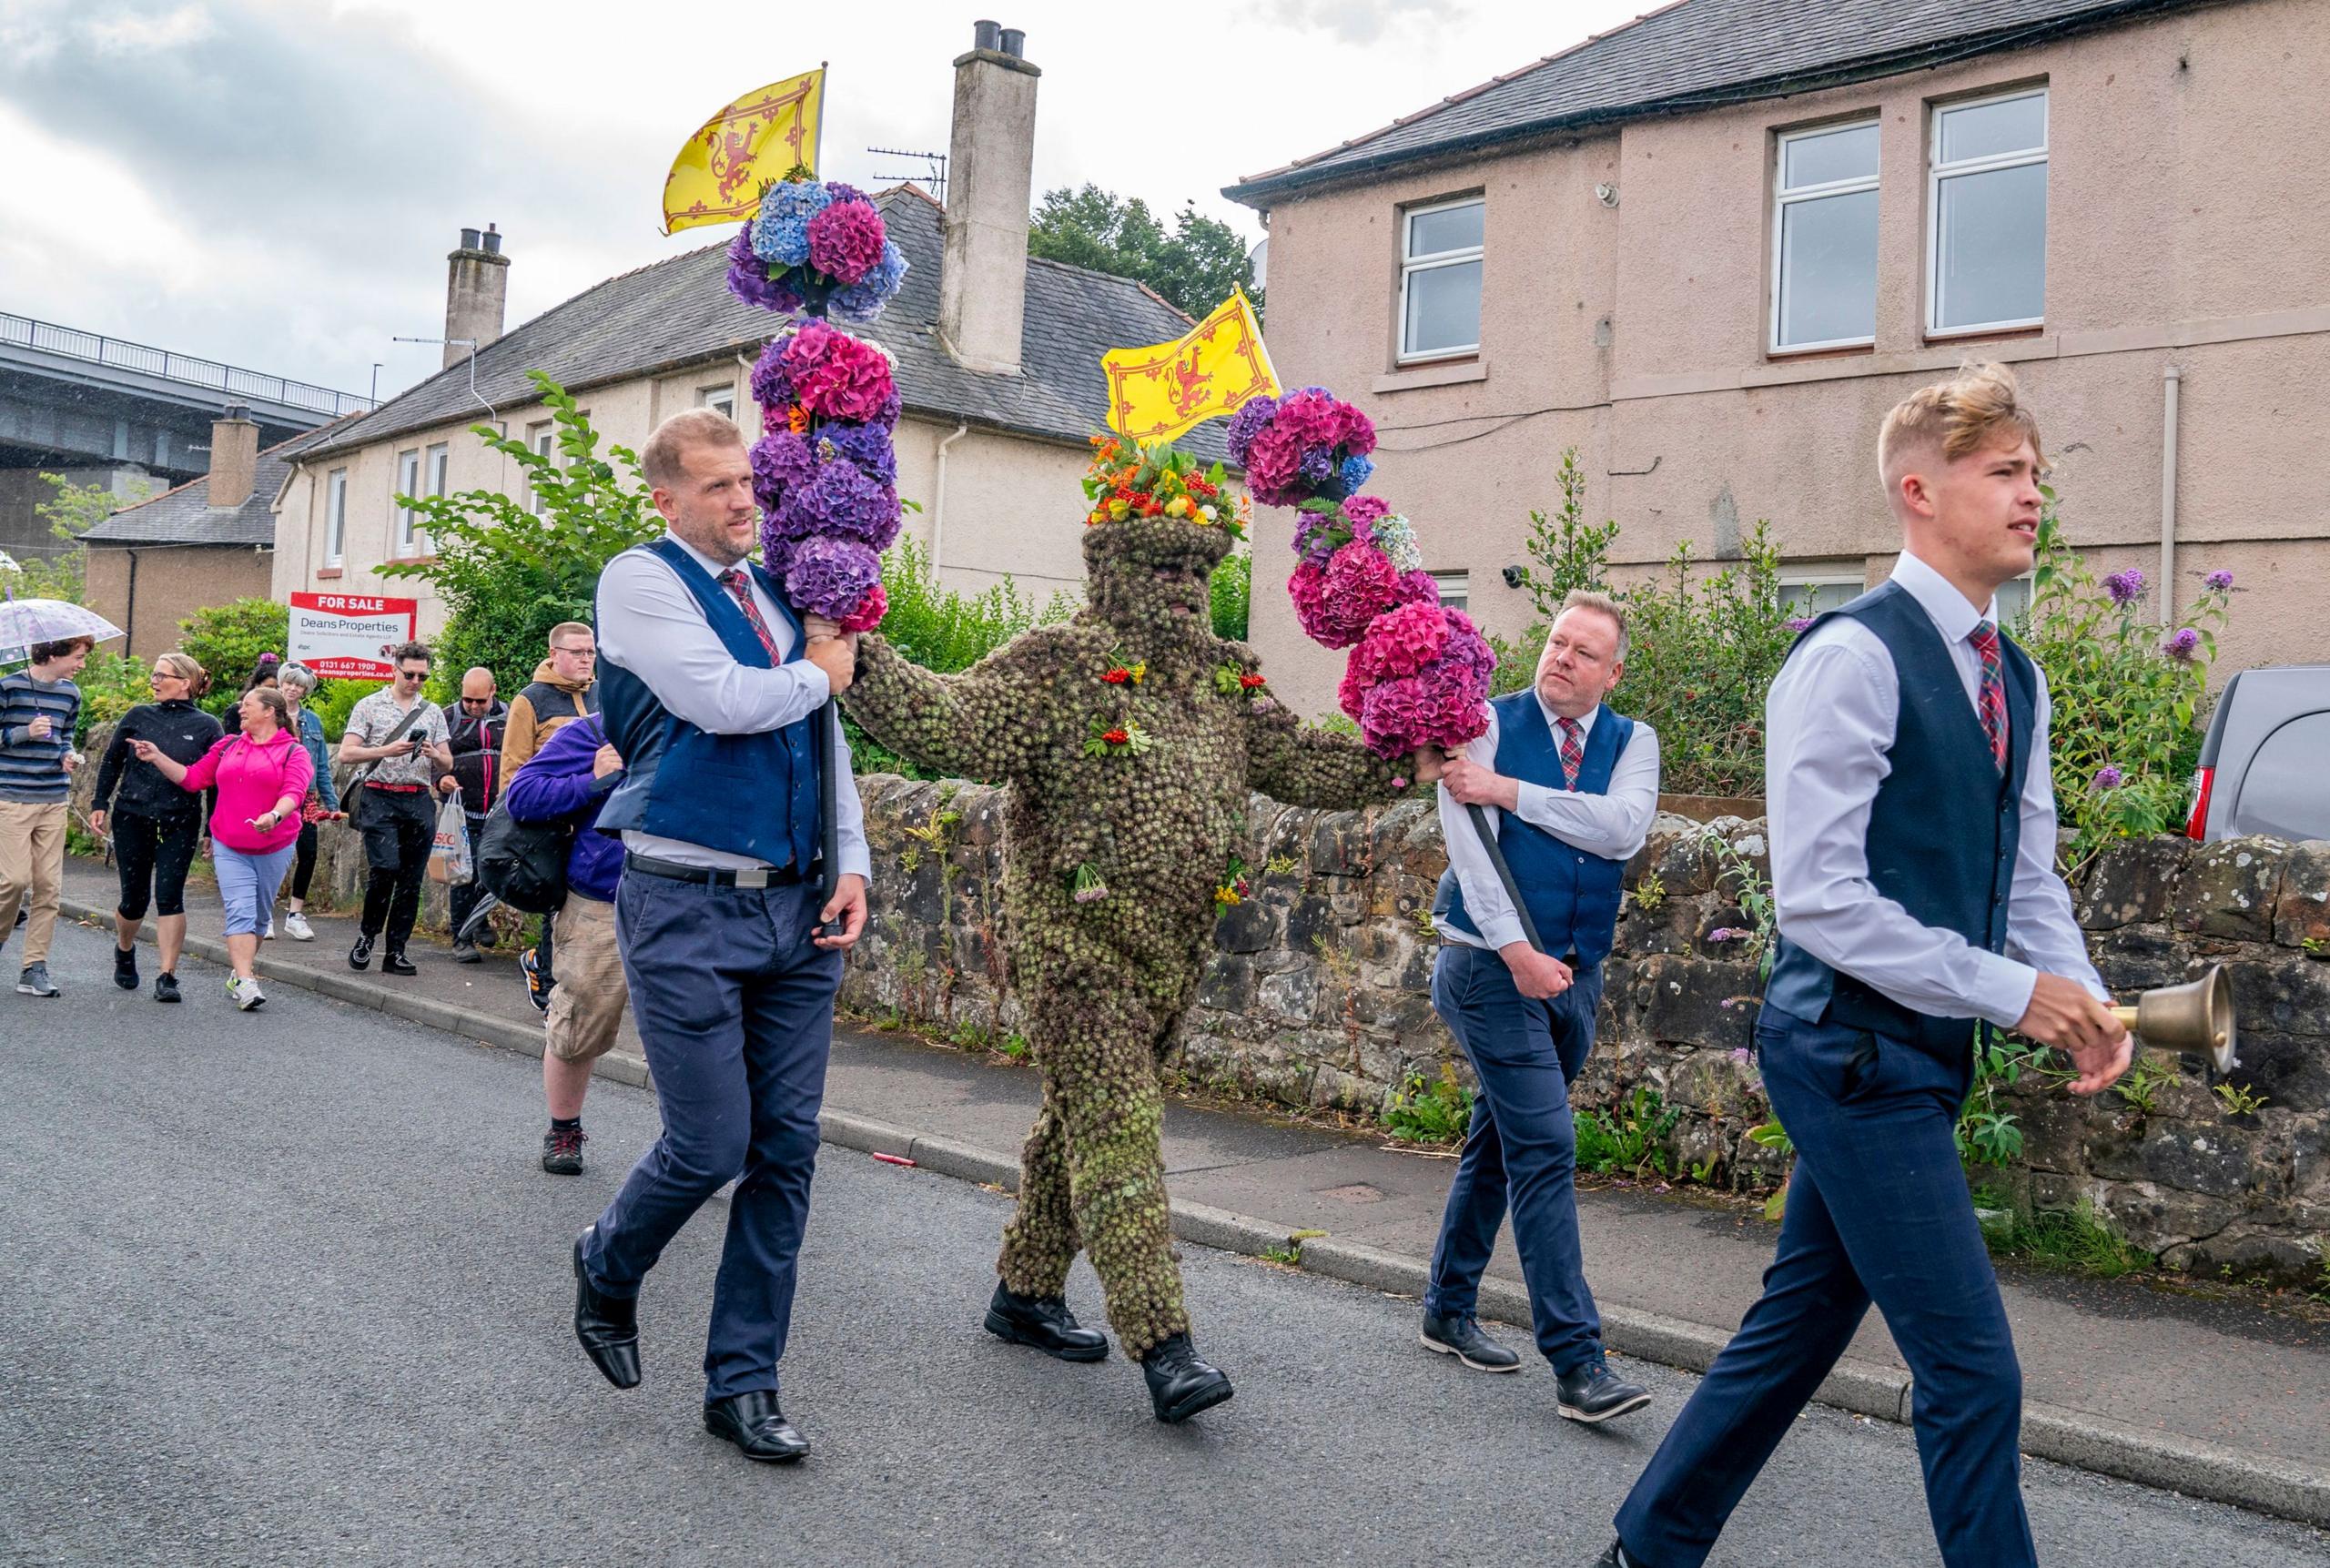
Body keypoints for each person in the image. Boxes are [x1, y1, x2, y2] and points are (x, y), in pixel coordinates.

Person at [1601, 364, 2132, 1568]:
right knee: (1973, 1369)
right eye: (2003, 471)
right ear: (1918, 490)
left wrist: (2082, 991)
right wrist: (2015, 991)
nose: (2031, 493)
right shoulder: (1850, 656)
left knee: (1799, 1325)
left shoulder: (2017, 675)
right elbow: (1825, 902)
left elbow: (2028, 873)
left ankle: (1648, 1543)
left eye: (2036, 472)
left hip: (1919, 1050)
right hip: (1847, 1050)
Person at [839, 440, 1435, 1426]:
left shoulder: (1224, 681)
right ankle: (1165, 1344)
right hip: (1074, 946)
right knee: (1119, 1130)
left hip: (1174, 948)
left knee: (1084, 1115)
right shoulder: (1060, 668)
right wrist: (860, 652)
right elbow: (949, 725)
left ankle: (1025, 1292)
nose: (1184, 587)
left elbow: (1304, 767)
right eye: (1164, 565)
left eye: (1200, 568)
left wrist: (1400, 748)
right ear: (1111, 563)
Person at [571, 409, 866, 1466]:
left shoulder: (784, 587)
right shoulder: (638, 579)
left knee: (785, 1152)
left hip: (796, 906)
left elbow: (817, 741)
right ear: (666, 498)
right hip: (686, 903)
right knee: (710, 1143)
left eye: (748, 482)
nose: (743, 500)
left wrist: (852, 861)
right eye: (715, 487)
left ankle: (743, 1384)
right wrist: (825, 670)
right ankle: (608, 1258)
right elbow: (726, 702)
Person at [1423, 592, 1661, 1422]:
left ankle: (1447, 1307)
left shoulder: (1636, 742)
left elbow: (1623, 830)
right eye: (1557, 641)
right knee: (1547, 1144)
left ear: (1613, 672)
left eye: (1583, 651)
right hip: (1489, 967)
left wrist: (1513, 792)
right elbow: (1471, 848)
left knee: (1503, 1138)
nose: (1561, 656)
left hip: (1577, 976)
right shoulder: (1481, 721)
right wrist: (1515, 950)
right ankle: (1579, 1361)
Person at [133, 685, 314, 1010]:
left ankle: (237, 974)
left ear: (269, 711)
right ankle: (246, 982)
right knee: (240, 910)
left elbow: (295, 792)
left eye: (247, 705)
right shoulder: (228, 745)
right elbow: (192, 778)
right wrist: (157, 756)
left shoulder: (293, 752)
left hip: (275, 844)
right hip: (229, 843)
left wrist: (274, 815)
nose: (240, 710)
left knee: (259, 917)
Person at [504, 712, 627, 1175]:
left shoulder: (711, 724)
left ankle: (697, 1148)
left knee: (701, 1030)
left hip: (689, 905)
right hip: (601, 901)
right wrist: (591, 779)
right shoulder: (596, 730)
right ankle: (563, 1130)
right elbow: (523, 796)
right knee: (578, 1023)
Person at [90, 652, 223, 1001]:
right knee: (134, 900)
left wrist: (211, 827)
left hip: (180, 819)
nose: (154, 680)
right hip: (132, 815)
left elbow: (214, 782)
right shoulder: (137, 716)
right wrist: (100, 803)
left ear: (185, 683)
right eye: (153, 673)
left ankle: (167, 975)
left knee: (169, 896)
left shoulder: (208, 725)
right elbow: (111, 761)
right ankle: (124, 947)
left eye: (161, 675)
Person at [336, 642, 453, 977]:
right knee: (385, 869)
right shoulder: (369, 705)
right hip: (379, 796)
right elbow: (346, 754)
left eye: (423, 676)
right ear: (395, 669)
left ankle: (397, 951)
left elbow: (448, 761)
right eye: (410, 674)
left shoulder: (431, 712)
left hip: (417, 798)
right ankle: (366, 937)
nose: (416, 681)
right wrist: (388, 749)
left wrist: (433, 753)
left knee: (411, 880)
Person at [501, 622, 598, 1010]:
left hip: (595, 823)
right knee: (555, 905)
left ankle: (563, 976)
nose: (586, 659)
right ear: (554, 654)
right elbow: (513, 770)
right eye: (577, 652)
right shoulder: (532, 700)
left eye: (590, 652)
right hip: (553, 821)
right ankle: (546, 980)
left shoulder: (604, 695)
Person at [1, 633, 92, 998]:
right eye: (78, 656)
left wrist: (66, 756)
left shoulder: (70, 693)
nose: (81, 664)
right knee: (13, 881)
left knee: (49, 888)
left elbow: (65, 737)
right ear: (54, 653)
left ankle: (33, 967)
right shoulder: (7, 687)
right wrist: (25, 732)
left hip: (53, 798)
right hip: (11, 799)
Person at [441, 666, 506, 961]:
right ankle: (461, 939)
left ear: (493, 691)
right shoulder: (448, 718)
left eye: (480, 701)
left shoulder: (511, 716)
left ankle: (478, 920)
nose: (474, 706)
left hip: (498, 814)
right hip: (461, 812)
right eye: (468, 700)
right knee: (462, 876)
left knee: (491, 872)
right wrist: (439, 780)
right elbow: (432, 759)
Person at [273, 663, 341, 942]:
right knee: (274, 854)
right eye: (289, 682)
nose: (293, 688)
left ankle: (295, 914)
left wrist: (333, 803)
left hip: (305, 796)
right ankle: (264, 914)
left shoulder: (312, 722)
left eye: (299, 685)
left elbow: (322, 766)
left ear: (305, 690)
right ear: (280, 683)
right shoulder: (267, 714)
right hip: (272, 795)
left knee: (308, 852)